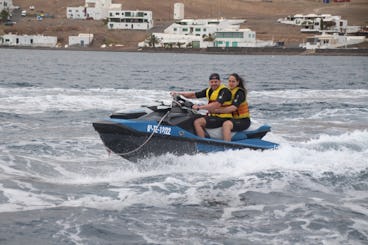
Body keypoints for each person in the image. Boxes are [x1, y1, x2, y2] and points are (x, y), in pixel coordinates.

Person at [171, 73, 232, 138]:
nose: (214, 83)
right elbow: (193, 95)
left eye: (216, 82)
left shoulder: (224, 91)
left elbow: (216, 105)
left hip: (223, 118)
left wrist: (199, 107)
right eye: (212, 82)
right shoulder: (209, 90)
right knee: (192, 116)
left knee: (198, 122)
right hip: (213, 116)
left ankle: (203, 143)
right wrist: (178, 93)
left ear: (220, 82)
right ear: (209, 82)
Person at [208, 73, 251, 141]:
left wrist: (217, 111)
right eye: (229, 81)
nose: (231, 83)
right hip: (232, 119)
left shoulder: (240, 92)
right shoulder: (228, 91)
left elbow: (233, 108)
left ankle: (227, 146)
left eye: (233, 81)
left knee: (226, 125)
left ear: (238, 82)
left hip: (243, 120)